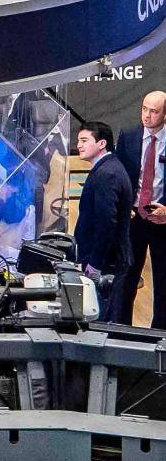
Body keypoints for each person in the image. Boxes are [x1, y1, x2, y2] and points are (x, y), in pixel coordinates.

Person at [74, 121, 134, 321]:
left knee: (102, 323)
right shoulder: (108, 168)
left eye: (84, 140)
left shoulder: (107, 173)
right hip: (106, 261)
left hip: (106, 264)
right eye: (78, 141)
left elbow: (106, 224)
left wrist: (95, 265)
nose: (79, 145)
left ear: (101, 143)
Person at [116, 90, 166, 323]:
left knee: (163, 283)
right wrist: (124, 205)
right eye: (144, 109)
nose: (147, 115)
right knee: (126, 279)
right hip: (133, 217)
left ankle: (159, 334)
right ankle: (122, 331)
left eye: (154, 111)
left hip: (161, 218)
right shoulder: (128, 136)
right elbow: (119, 175)